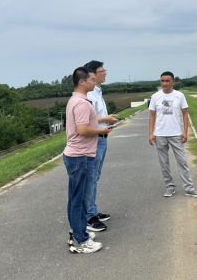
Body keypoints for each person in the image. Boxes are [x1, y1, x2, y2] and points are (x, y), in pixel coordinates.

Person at [64, 66, 112, 254]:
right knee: (80, 200)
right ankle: (81, 240)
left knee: (75, 198)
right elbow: (83, 130)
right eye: (91, 79)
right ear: (82, 82)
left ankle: (77, 231)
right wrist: (102, 130)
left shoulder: (75, 100)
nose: (94, 82)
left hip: (77, 155)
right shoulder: (82, 103)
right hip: (81, 156)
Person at [148, 71, 197, 198]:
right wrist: (151, 133)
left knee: (182, 161)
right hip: (160, 134)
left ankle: (189, 188)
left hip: (176, 134)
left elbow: (185, 113)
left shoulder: (179, 96)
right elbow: (152, 116)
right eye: (162, 81)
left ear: (173, 82)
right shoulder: (155, 97)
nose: (164, 83)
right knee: (164, 163)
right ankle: (170, 187)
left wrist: (185, 131)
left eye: (167, 81)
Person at [83, 60, 118, 232]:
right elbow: (86, 120)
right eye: (102, 71)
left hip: (102, 138)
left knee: (94, 177)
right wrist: (106, 119)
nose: (105, 73)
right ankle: (89, 217)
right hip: (95, 139)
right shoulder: (89, 95)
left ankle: (93, 211)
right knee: (90, 178)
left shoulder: (97, 92)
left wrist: (108, 119)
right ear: (92, 74)